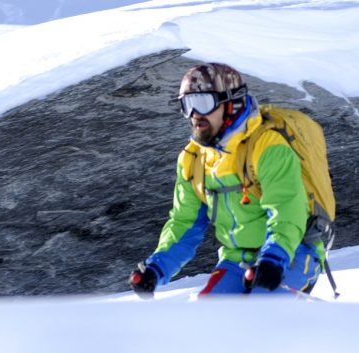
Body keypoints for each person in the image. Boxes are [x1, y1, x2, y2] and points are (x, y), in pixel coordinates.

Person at [129, 62, 326, 298]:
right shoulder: (193, 160)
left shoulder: (267, 146)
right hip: (237, 259)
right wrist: (156, 268)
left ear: (232, 103)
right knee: (209, 323)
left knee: (259, 317)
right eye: (187, 105)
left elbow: (286, 209)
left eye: (203, 103)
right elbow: (184, 224)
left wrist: (275, 257)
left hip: (294, 252)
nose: (195, 115)